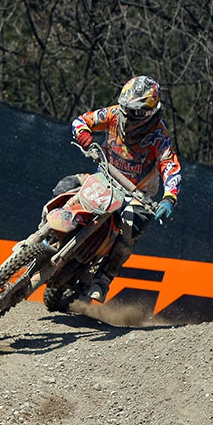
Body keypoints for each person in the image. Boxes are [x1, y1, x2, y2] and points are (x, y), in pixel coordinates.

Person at [63, 75, 182, 302]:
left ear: (149, 112)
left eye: (135, 111)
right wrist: (87, 140)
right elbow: (80, 122)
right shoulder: (114, 114)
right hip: (104, 177)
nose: (128, 115)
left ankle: (103, 279)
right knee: (66, 186)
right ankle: (44, 237)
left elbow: (171, 167)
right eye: (126, 108)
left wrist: (169, 198)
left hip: (137, 194)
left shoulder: (159, 135)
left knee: (133, 226)